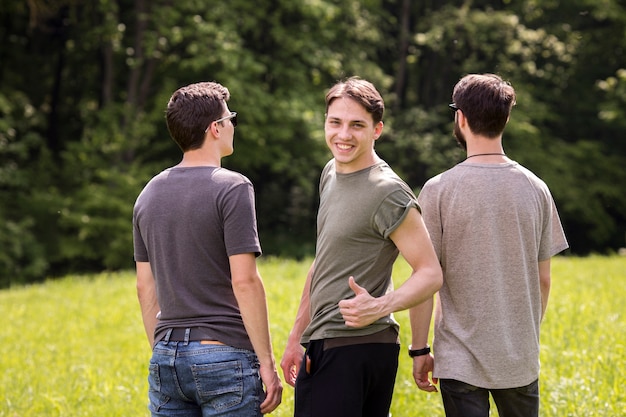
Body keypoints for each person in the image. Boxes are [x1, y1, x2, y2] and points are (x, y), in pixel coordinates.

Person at [280, 76, 443, 417]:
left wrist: (382, 305)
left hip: (354, 349)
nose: (343, 135)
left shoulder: (388, 192)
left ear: (377, 129)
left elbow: (430, 273)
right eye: (335, 122)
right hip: (327, 341)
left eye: (357, 125)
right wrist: (297, 335)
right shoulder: (330, 173)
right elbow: (324, 261)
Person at [412, 73, 569, 417]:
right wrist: (521, 335)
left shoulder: (438, 190)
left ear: (461, 118)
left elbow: (424, 281)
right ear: (506, 118)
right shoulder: (536, 188)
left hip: (459, 359)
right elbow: (544, 279)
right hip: (519, 358)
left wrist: (419, 349)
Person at [133, 81, 282, 417]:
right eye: (230, 119)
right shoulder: (232, 187)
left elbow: (145, 286)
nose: (232, 126)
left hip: (165, 357)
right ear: (215, 128)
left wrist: (162, 353)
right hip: (225, 356)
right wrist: (267, 363)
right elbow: (244, 282)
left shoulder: (148, 194)